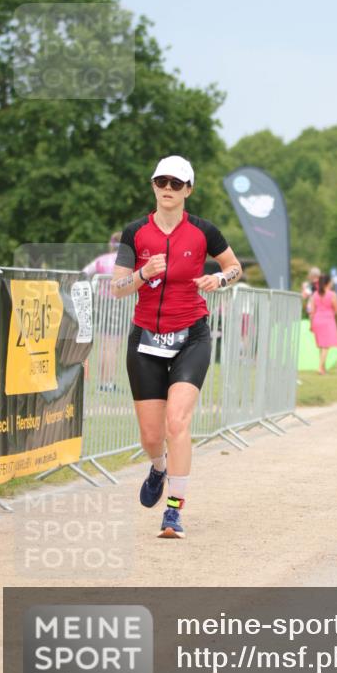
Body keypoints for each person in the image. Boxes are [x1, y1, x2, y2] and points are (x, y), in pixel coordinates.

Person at [111, 155, 241, 539]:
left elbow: (234, 267)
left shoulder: (204, 231)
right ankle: (157, 467)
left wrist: (220, 280)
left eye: (176, 183)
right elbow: (116, 289)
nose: (168, 189)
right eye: (161, 182)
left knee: (177, 423)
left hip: (191, 336)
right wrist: (141, 274)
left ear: (189, 190)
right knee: (152, 436)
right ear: (153, 185)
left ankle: (173, 511)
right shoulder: (135, 233)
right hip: (146, 339)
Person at [83, 231, 122, 390]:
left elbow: (85, 272)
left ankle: (102, 383)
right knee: (113, 346)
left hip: (102, 303)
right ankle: (108, 383)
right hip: (117, 304)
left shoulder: (102, 260)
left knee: (103, 346)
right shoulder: (125, 262)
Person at [307, 273, 337, 375]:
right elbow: (336, 310)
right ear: (328, 282)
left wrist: (311, 324)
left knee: (321, 346)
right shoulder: (332, 294)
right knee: (326, 346)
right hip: (328, 321)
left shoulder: (315, 295)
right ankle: (320, 368)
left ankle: (323, 368)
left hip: (317, 320)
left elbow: (312, 311)